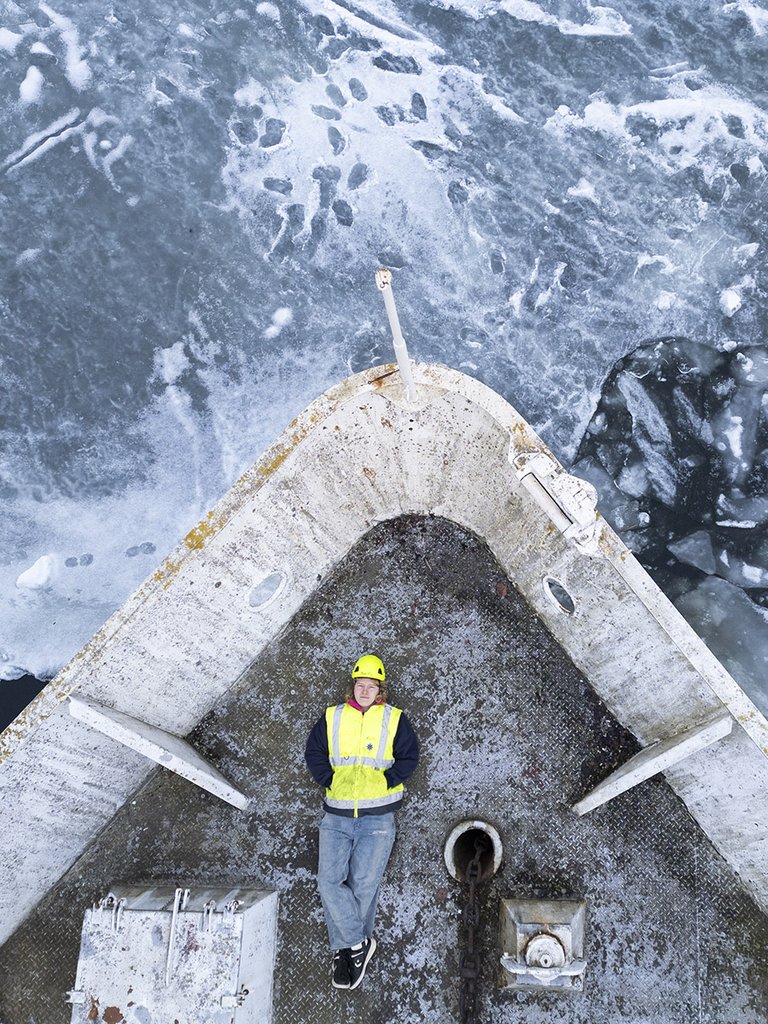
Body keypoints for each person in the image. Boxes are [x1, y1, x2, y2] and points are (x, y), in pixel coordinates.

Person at [305, 653, 419, 990]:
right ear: (352, 687)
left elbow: (409, 757)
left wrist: (386, 782)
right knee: (329, 882)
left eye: (371, 686)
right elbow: (314, 753)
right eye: (360, 684)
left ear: (380, 690)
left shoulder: (395, 719)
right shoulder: (333, 717)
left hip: (379, 817)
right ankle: (358, 943)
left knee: (363, 888)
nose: (364, 691)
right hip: (336, 814)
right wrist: (330, 780)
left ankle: (347, 951)